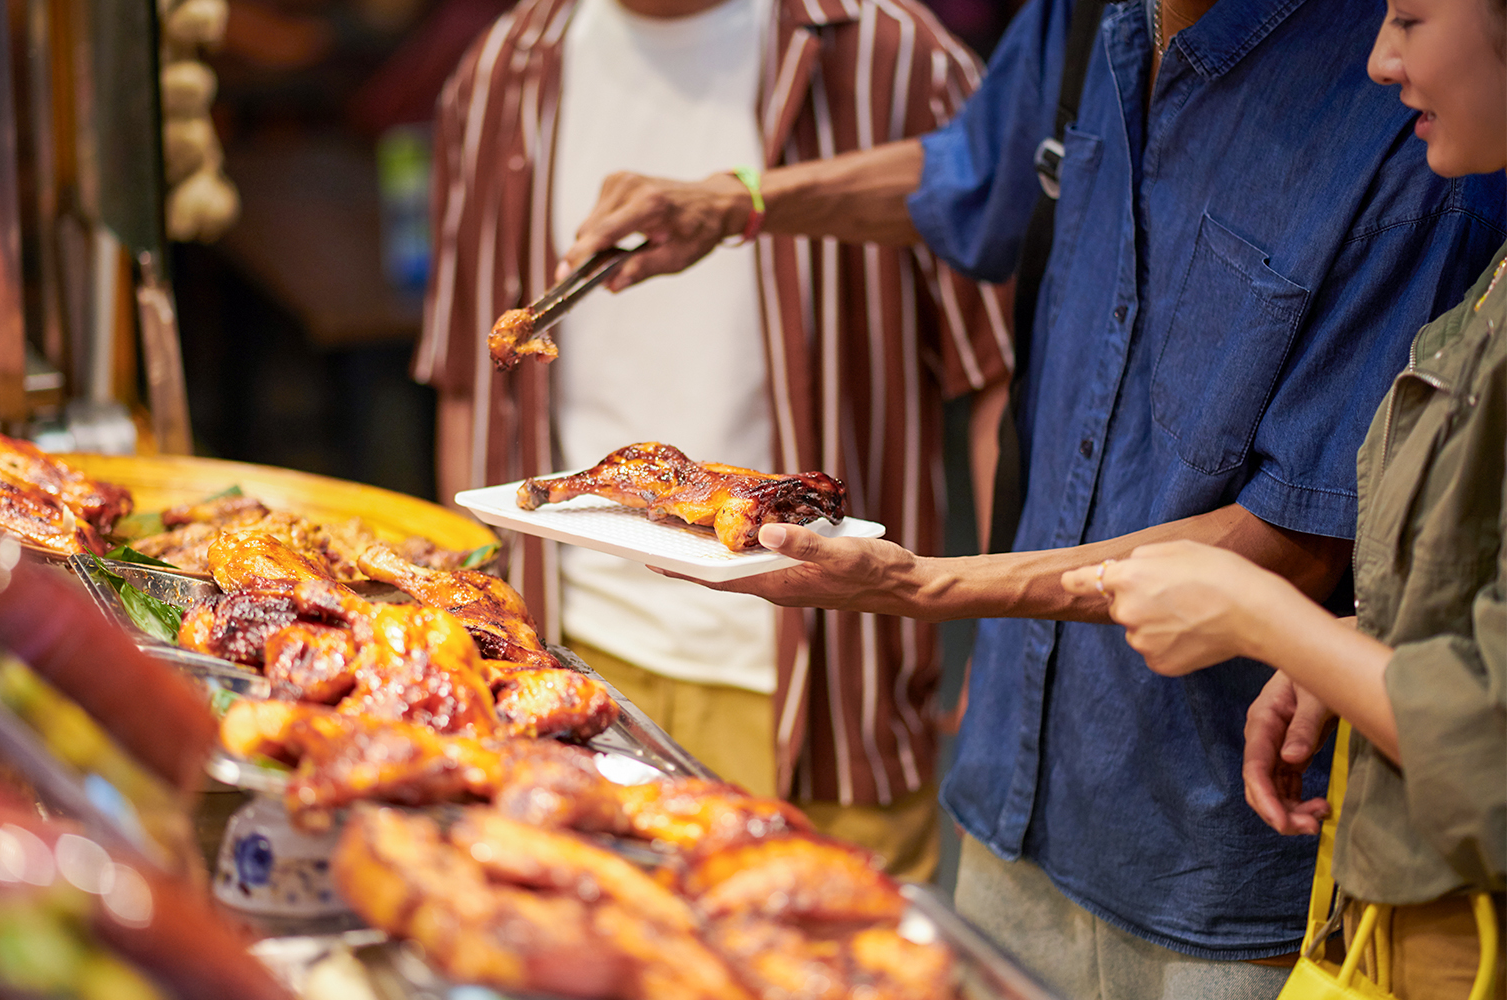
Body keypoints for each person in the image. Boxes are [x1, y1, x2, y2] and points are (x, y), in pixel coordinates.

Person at [553, 0, 1507, 993]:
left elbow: (1296, 540)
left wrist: (933, 587)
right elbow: (974, 173)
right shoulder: (1086, 17)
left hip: (1204, 837)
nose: (1397, 47)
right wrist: (736, 199)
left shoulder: (1404, 110)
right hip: (1010, 778)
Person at [408, 0, 1014, 879]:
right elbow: (469, 379)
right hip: (565, 649)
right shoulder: (507, 65)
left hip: (827, 679)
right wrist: (462, 623)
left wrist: (1004, 639)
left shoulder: (893, 57)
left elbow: (1000, 374)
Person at [1058, 0, 1506, 992]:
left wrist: (1271, 621)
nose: (1382, 60)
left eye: (1413, 18)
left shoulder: (1430, 194)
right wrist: (1349, 647)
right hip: (1383, 902)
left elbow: (1489, 740)